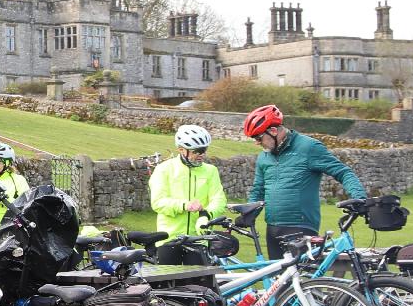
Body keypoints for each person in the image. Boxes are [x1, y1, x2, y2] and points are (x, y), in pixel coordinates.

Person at [244, 104, 365, 258]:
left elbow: (343, 172)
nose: (257, 143)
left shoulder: (309, 147)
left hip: (300, 226)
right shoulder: (264, 156)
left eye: (259, 138)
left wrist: (359, 198)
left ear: (273, 131)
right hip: (272, 227)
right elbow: (259, 189)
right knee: (277, 280)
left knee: (303, 281)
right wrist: (248, 213)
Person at [149, 124, 226, 262]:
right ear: (181, 150)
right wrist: (184, 205)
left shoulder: (210, 171)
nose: (202, 155)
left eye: (204, 150)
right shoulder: (164, 169)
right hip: (169, 239)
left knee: (200, 283)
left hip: (199, 240)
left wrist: (206, 214)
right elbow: (158, 202)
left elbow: (219, 200)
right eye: (197, 151)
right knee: (168, 283)